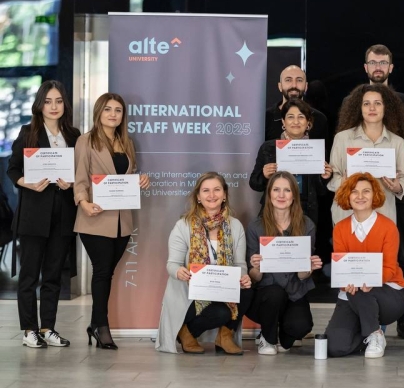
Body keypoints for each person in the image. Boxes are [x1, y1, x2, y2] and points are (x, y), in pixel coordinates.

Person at [73, 93, 150, 350]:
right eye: (108, 109)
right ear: (99, 112)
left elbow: (128, 175)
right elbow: (80, 178)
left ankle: (95, 324)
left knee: (107, 272)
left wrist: (140, 179)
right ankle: (101, 326)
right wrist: (83, 202)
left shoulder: (127, 142)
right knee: (102, 271)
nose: (113, 114)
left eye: (118, 110)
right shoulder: (86, 141)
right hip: (94, 216)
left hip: (122, 220)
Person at [7, 81, 80, 348]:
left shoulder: (74, 135)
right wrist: (26, 182)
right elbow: (13, 169)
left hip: (63, 214)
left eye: (58, 101)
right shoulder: (28, 132)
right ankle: (29, 330)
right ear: (40, 105)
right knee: (29, 276)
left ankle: (48, 328)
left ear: (65, 105)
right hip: (33, 214)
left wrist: (72, 183)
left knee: (53, 275)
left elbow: (81, 172)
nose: (53, 106)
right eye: (48, 101)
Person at [155, 172, 252, 354]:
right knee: (221, 313)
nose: (212, 195)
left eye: (217, 190)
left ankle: (225, 336)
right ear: (198, 197)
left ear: (224, 194)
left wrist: (243, 277)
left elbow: (240, 264)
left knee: (247, 289)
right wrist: (179, 272)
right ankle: (186, 332)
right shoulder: (183, 225)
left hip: (221, 289)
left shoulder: (235, 226)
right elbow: (172, 264)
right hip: (190, 292)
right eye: (206, 191)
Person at [361, 44, 404, 340]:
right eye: (373, 62)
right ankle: (366, 316)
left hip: (396, 190)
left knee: (400, 255)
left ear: (391, 67)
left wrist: (401, 178)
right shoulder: (354, 100)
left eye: (383, 62)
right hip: (362, 193)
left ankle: (402, 318)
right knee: (363, 254)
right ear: (366, 67)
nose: (378, 67)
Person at [325, 173, 404, 358]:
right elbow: (342, 269)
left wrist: (371, 280)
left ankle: (375, 333)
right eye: (354, 191)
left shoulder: (388, 227)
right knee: (334, 347)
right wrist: (345, 283)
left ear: (374, 195)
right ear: (347, 195)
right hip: (354, 293)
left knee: (362, 290)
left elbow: (389, 269)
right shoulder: (340, 228)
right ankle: (367, 334)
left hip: (389, 292)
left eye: (366, 191)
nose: (360, 196)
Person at [246, 172, 322, 355]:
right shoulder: (256, 227)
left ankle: (281, 333)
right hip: (266, 295)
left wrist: (309, 268)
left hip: (294, 292)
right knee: (275, 294)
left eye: (287, 190)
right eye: (276, 190)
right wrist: (256, 267)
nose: (281, 195)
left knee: (300, 327)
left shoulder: (307, 225)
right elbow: (254, 278)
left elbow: (302, 276)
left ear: (294, 195)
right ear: (269, 194)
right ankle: (267, 338)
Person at [328, 84, 404, 225]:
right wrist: (343, 182)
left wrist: (398, 187)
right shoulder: (342, 139)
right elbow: (332, 179)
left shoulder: (398, 143)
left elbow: (403, 180)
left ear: (386, 107)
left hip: (384, 215)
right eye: (366, 104)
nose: (372, 108)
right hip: (347, 216)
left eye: (377, 103)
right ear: (359, 108)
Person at [249, 99, 332, 225]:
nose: (296, 122)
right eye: (290, 117)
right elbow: (254, 184)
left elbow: (321, 192)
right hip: (273, 210)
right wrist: (264, 175)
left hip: (306, 212)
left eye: (301, 117)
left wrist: (324, 177)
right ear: (283, 121)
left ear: (308, 122)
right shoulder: (268, 147)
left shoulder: (318, 150)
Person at [265, 65, 328, 142]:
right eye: (288, 80)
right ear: (280, 86)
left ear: (306, 86)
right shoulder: (266, 119)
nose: (294, 85)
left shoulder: (319, 119)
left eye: (299, 80)